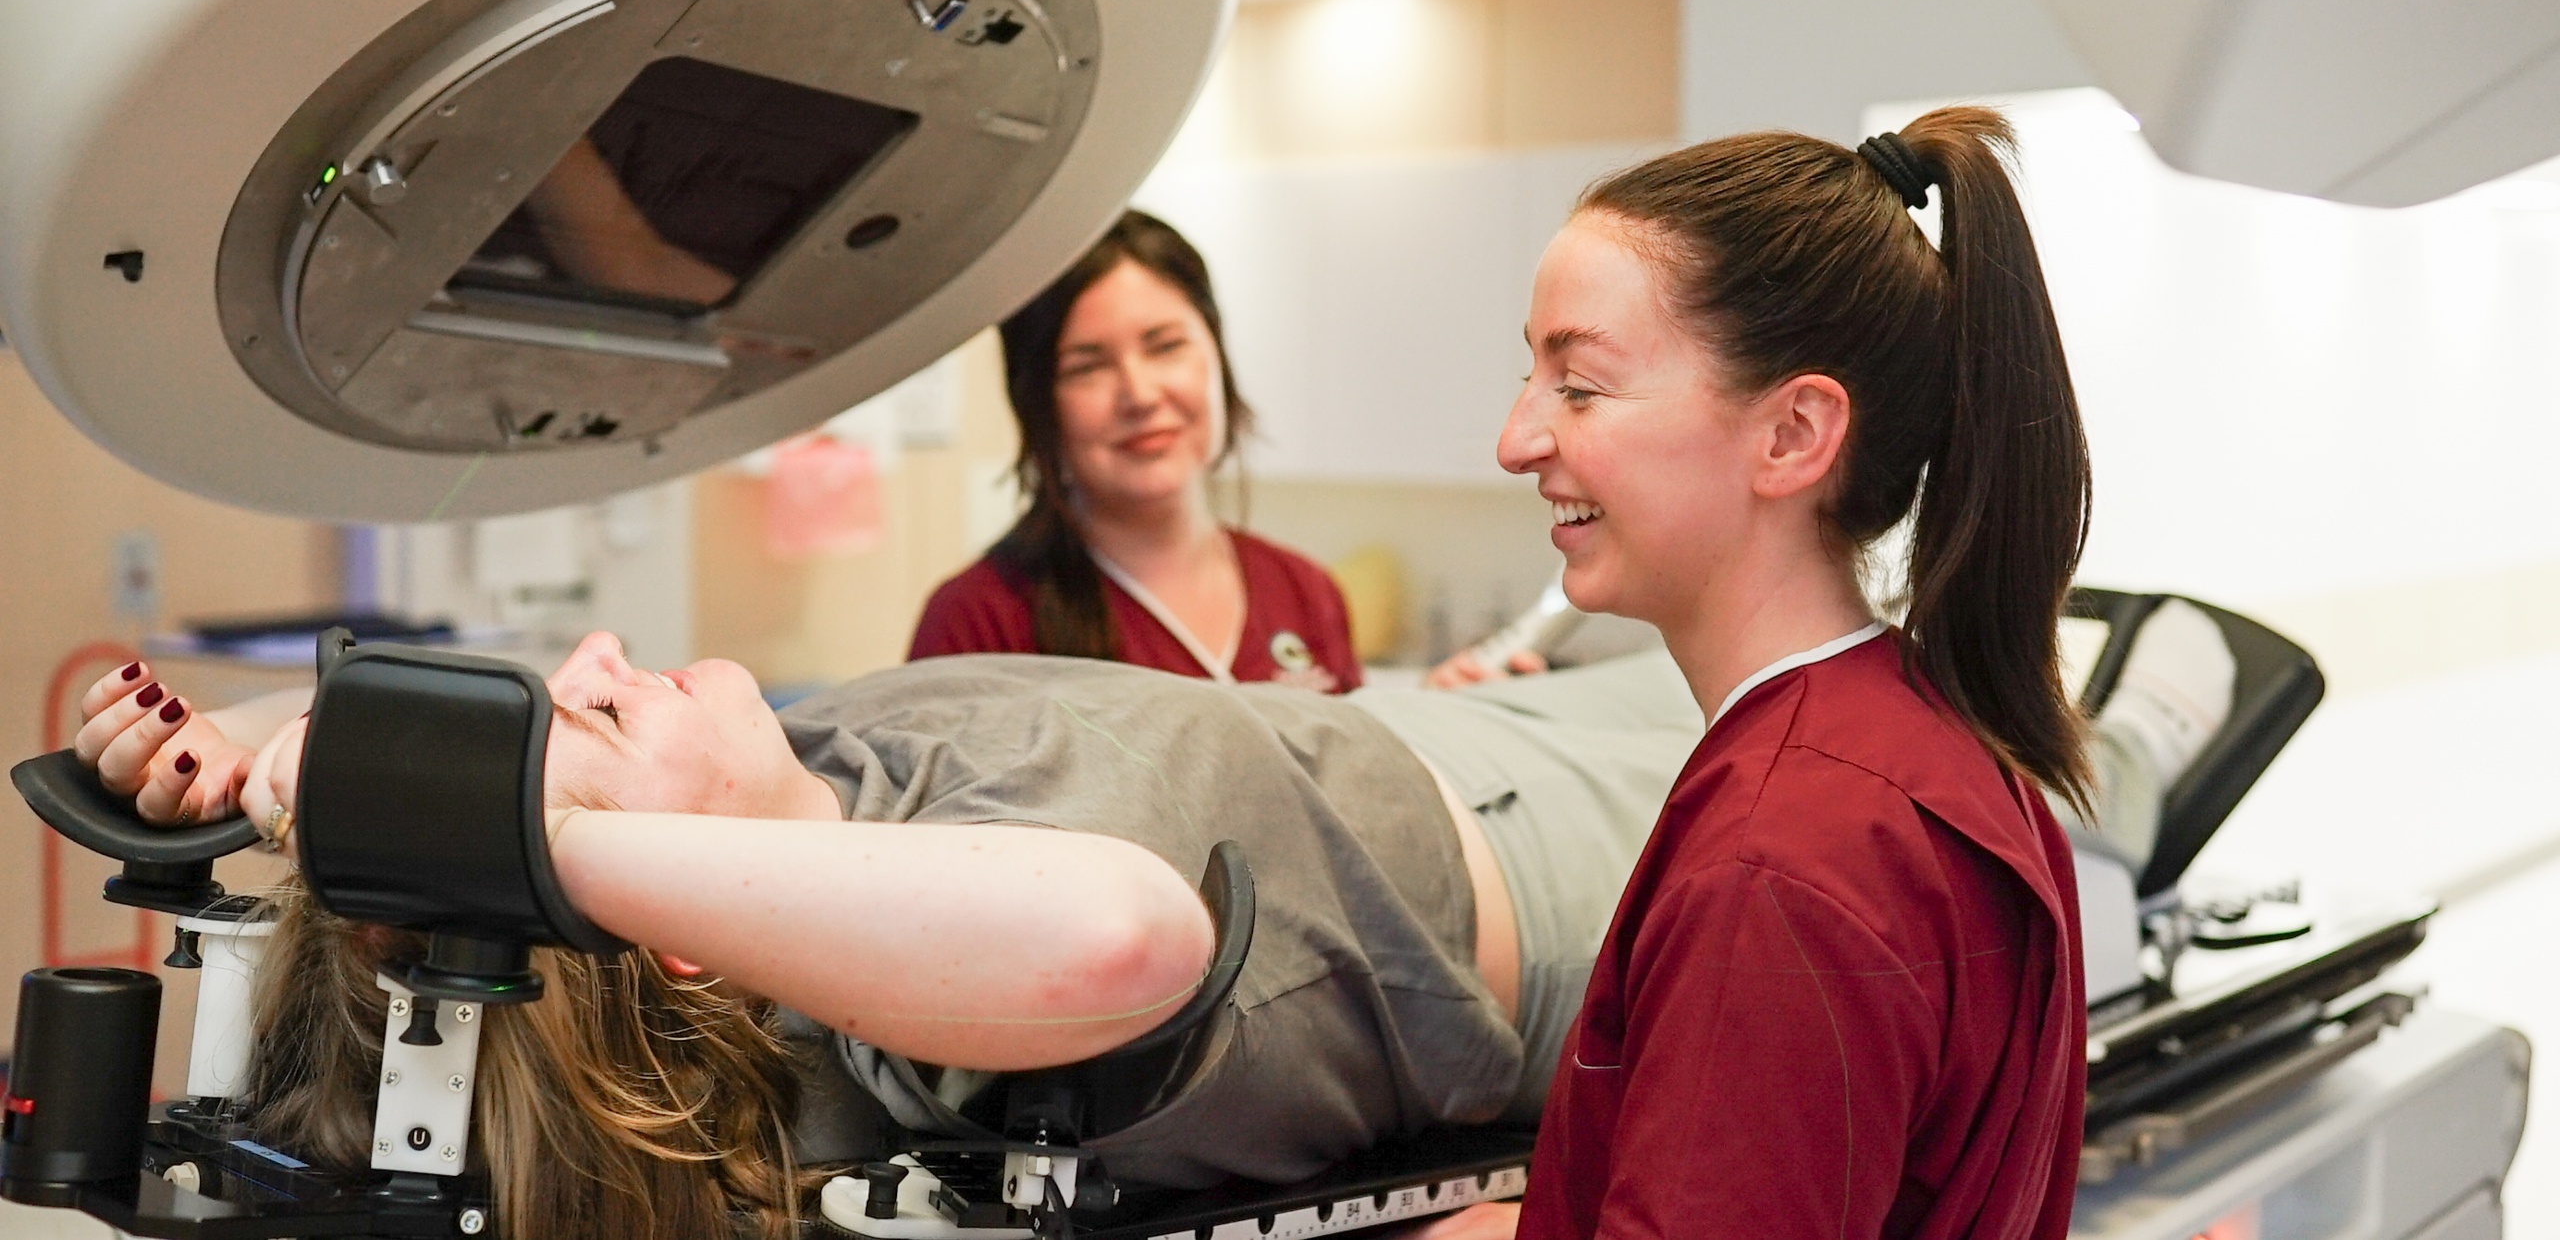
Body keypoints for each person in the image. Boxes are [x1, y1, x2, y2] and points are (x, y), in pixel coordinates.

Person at [69, 630, 1705, 1238]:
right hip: (1580, 860)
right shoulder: (927, 1005)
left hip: (1480, 722)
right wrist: (541, 838)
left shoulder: (800, 779)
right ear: (650, 894)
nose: (600, 650)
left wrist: (245, 738)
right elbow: (1121, 937)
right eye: (581, 726)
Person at [1453, 108, 2094, 1240]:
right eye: (1528, 375)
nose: (1517, 438)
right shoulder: (1935, 749)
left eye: (1581, 385)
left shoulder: (1782, 859)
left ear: (1793, 432)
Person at [909, 211, 1362, 691]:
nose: (1140, 395)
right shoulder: (979, 621)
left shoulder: (1304, 591)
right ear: (1038, 402)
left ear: (1217, 355)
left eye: (1166, 346)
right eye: (1088, 367)